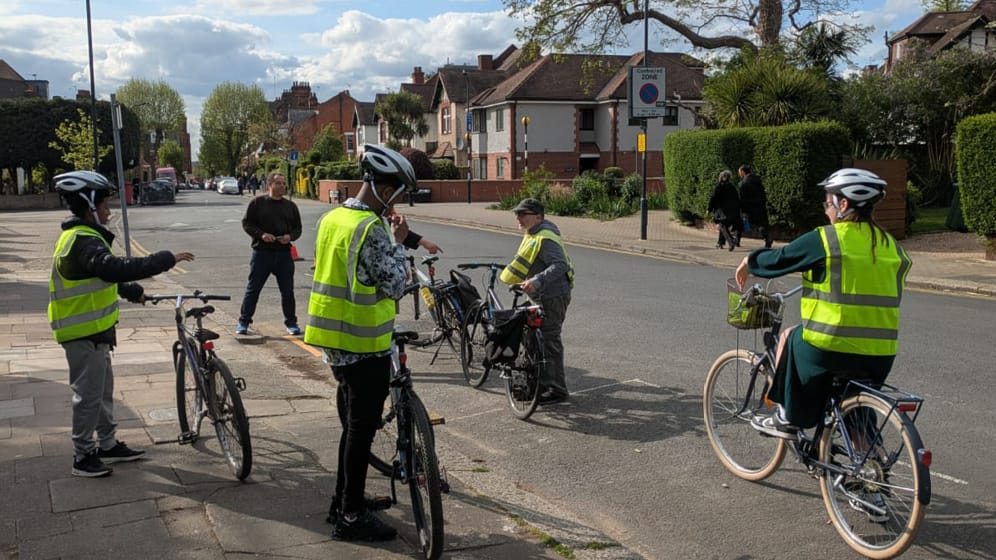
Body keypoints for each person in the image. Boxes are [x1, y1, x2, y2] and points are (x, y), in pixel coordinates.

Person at [735, 168, 911, 441]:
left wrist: (750, 262)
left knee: (791, 338)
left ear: (843, 205)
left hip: (831, 346)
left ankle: (788, 418)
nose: (826, 210)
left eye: (828, 203)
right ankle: (869, 462)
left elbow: (781, 258)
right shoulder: (892, 247)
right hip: (880, 354)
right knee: (853, 402)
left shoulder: (827, 239)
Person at [48, 171, 195, 478]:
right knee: (88, 396)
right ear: (89, 206)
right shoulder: (82, 240)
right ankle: (82, 455)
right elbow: (111, 268)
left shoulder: (82, 238)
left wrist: (133, 292)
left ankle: (107, 444)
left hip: (95, 330)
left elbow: (99, 277)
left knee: (101, 392)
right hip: (82, 332)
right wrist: (164, 259)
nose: (108, 210)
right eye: (103, 205)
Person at [305, 144, 417, 542]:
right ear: (385, 190)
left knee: (353, 426)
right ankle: (351, 516)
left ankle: (344, 500)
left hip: (332, 337)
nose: (398, 200)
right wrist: (401, 242)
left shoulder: (332, 217)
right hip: (362, 343)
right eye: (398, 191)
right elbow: (396, 284)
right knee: (360, 429)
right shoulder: (371, 229)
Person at [500, 198, 575, 405]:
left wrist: (537, 280)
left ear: (539, 217)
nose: (519, 217)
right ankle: (539, 383)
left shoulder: (545, 237)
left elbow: (560, 265)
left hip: (552, 296)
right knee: (533, 338)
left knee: (550, 341)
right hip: (540, 295)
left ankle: (557, 389)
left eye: (524, 214)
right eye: (517, 214)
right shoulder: (533, 233)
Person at [236, 172, 303, 335]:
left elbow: (298, 228)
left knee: (287, 291)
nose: (282, 186)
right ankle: (244, 322)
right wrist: (261, 235)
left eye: (283, 183)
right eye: (278, 183)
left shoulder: (290, 206)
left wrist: (290, 237)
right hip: (262, 253)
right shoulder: (258, 203)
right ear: (270, 185)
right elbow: (247, 224)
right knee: (253, 289)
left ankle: (291, 323)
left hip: (283, 254)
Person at [738, 164, 773, 249]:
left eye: (739, 172)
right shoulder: (757, 180)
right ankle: (767, 238)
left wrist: (743, 210)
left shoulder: (743, 183)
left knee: (742, 222)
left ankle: (736, 241)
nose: (739, 174)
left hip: (750, 206)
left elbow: (742, 198)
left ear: (742, 172)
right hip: (760, 205)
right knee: (762, 223)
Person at [708, 170, 742, 251]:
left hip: (722, 211)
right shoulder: (732, 187)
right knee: (724, 226)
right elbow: (737, 199)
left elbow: (713, 198)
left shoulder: (719, 187)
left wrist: (709, 209)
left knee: (722, 226)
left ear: (720, 178)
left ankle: (731, 241)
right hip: (732, 211)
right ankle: (720, 243)